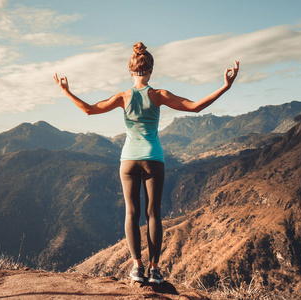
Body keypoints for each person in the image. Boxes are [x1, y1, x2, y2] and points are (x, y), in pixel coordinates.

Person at [54, 42, 239, 284]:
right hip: (153, 159)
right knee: (154, 214)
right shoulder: (159, 95)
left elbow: (89, 110)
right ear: (151, 70)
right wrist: (225, 86)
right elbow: (195, 107)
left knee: (132, 212)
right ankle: (154, 269)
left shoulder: (123, 97)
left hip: (128, 160)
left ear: (130, 71)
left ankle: (136, 268)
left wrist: (66, 91)